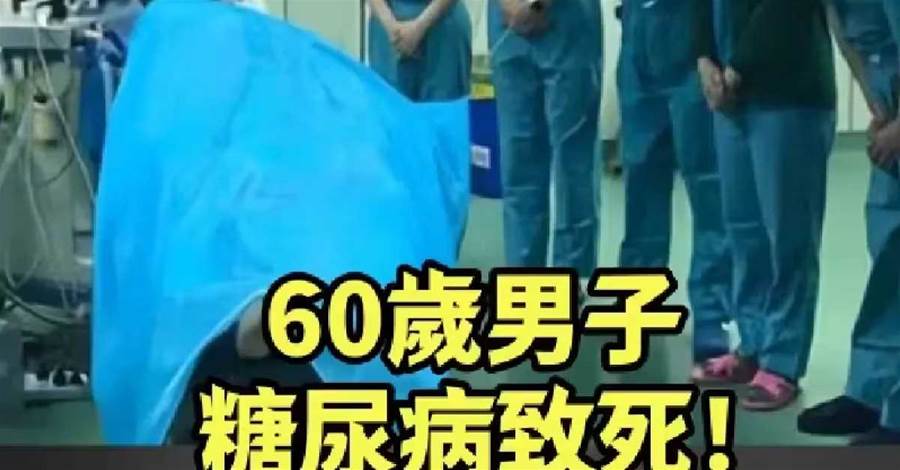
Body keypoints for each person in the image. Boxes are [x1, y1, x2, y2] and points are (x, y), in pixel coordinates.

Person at [691, 0, 837, 411]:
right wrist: (704, 58)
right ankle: (752, 344)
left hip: (787, 94)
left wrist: (738, 68)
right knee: (745, 231)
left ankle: (782, 361)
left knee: (788, 235)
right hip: (731, 97)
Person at [798, 0, 900, 446]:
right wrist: (879, 108)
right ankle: (872, 391)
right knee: (890, 251)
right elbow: (846, 34)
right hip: (890, 101)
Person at [617, 0, 732, 378]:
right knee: (641, 181)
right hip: (638, 38)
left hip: (692, 39)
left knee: (708, 187)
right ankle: (637, 301)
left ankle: (712, 322)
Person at [488, 0, 603, 290]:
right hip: (508, 22)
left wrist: (537, 3)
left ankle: (571, 283)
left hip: (568, 18)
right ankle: (523, 285)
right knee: (519, 166)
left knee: (573, 168)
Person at [368, 0, 472, 101]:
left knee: (444, 105)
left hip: (444, 30)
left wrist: (419, 27)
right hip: (387, 33)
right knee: (388, 106)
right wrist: (390, 26)